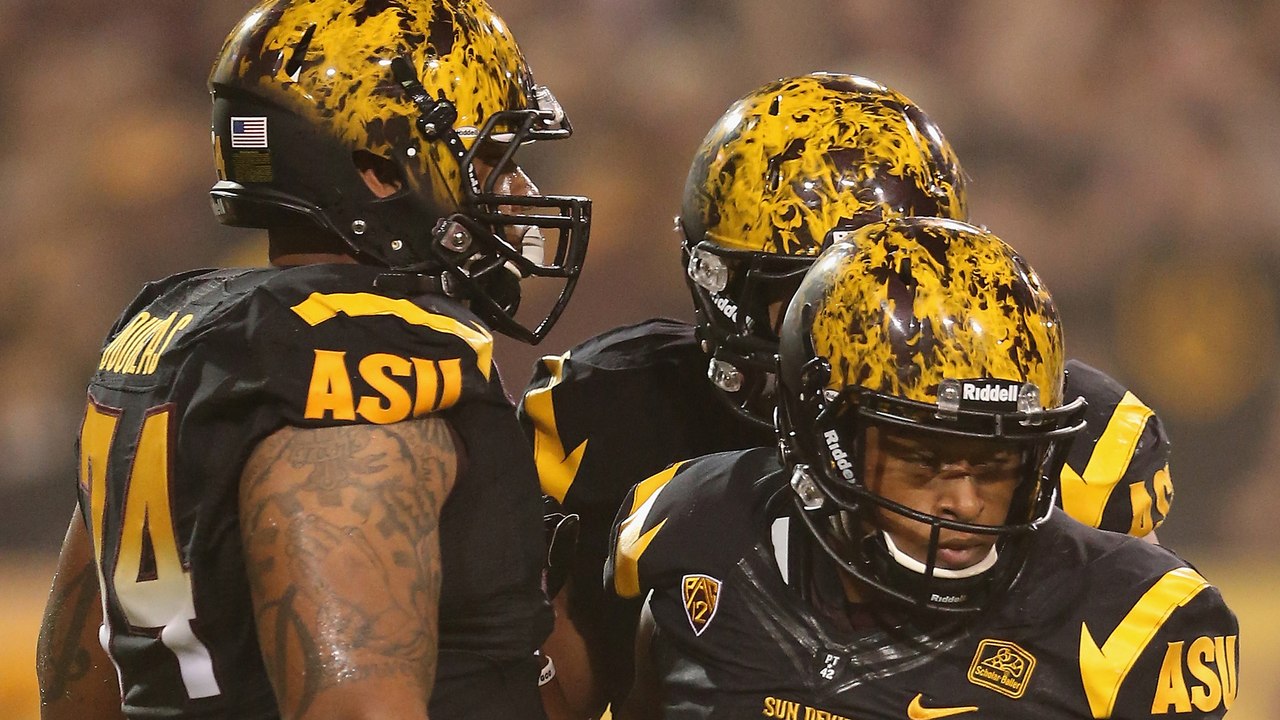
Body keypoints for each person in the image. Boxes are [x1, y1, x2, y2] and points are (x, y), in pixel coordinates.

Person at [519, 73, 1170, 718]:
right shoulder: (613, 411)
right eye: (810, 294)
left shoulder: (1070, 446)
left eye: (890, 304)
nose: (844, 333)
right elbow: (543, 693)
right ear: (719, 286)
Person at [35, 1, 590, 718]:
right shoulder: (365, 357)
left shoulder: (169, 333)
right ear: (379, 167)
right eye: (487, 157)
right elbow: (358, 709)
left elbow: (79, 690)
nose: (516, 190)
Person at [607, 216, 1238, 719]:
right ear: (828, 441)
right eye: (924, 460)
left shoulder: (1130, 623)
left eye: (996, 463)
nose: (964, 502)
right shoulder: (693, 527)